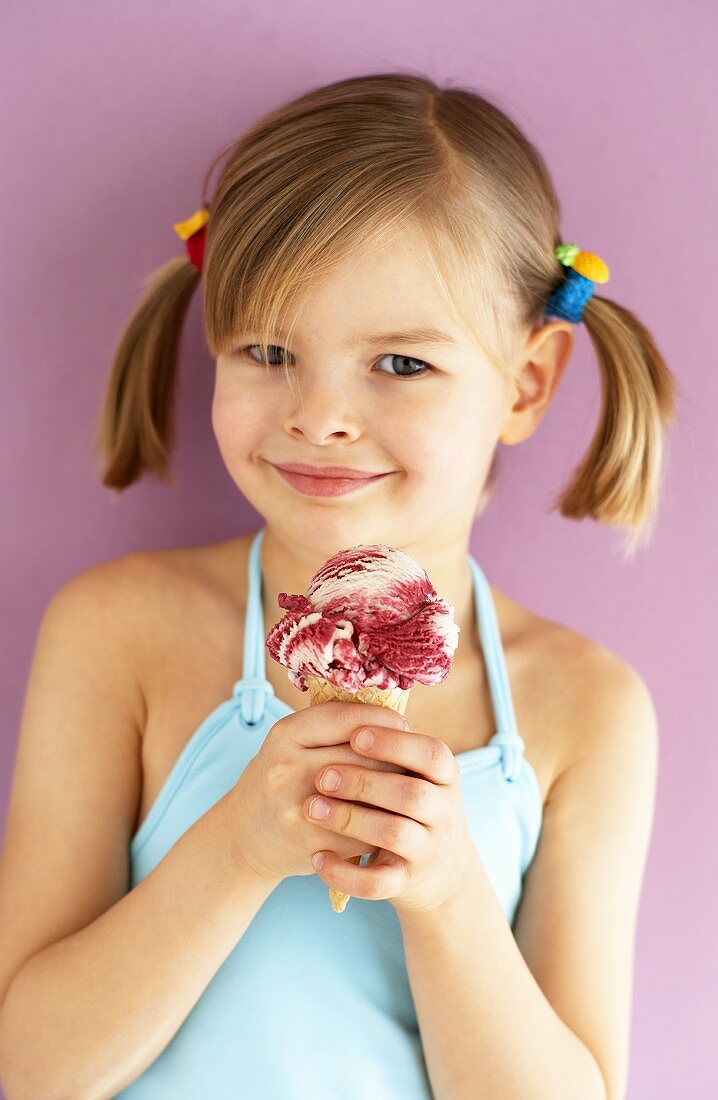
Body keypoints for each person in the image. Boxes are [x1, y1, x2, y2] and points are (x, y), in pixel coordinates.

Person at [0, 72, 675, 1099]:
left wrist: (448, 895)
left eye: (399, 364)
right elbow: (25, 1068)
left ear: (526, 382)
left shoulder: (583, 709)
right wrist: (235, 845)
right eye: (269, 351)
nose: (318, 416)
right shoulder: (117, 630)